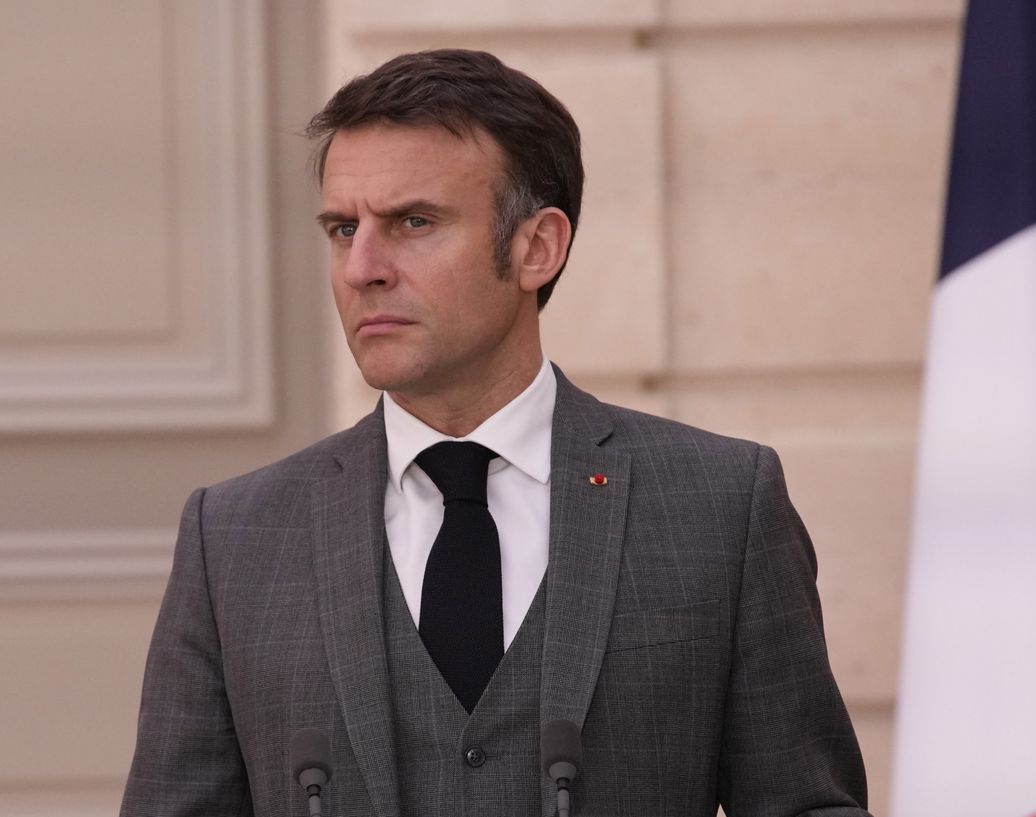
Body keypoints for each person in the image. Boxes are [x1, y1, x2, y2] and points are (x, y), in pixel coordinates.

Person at [121, 49, 871, 817]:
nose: (362, 268)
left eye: (414, 222)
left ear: (536, 248)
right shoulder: (237, 535)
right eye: (344, 228)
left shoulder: (721, 506)